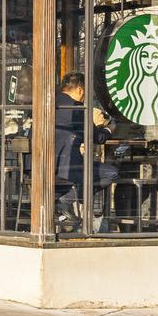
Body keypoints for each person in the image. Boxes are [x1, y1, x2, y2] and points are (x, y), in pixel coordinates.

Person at [54, 73, 116, 226]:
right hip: (66, 168)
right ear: (80, 90)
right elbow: (98, 138)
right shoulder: (77, 110)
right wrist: (109, 129)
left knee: (87, 174)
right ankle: (68, 198)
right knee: (112, 172)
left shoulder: (48, 104)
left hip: (40, 167)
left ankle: (67, 198)